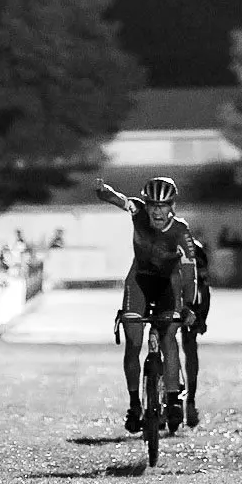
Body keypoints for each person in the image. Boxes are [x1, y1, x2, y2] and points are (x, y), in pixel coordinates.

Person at [94, 176, 198, 433]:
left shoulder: (180, 230)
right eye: (152, 204)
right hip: (139, 281)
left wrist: (189, 307)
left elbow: (189, 271)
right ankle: (134, 405)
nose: (157, 211)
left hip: (167, 286)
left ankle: (173, 399)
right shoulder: (137, 212)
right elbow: (122, 201)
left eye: (163, 206)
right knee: (133, 343)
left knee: (168, 338)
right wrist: (105, 192)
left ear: (172, 206)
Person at [180, 235, 210, 428]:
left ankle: (190, 401)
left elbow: (204, 288)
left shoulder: (196, 250)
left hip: (188, 303)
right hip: (168, 299)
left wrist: (201, 317)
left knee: (190, 344)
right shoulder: (160, 244)